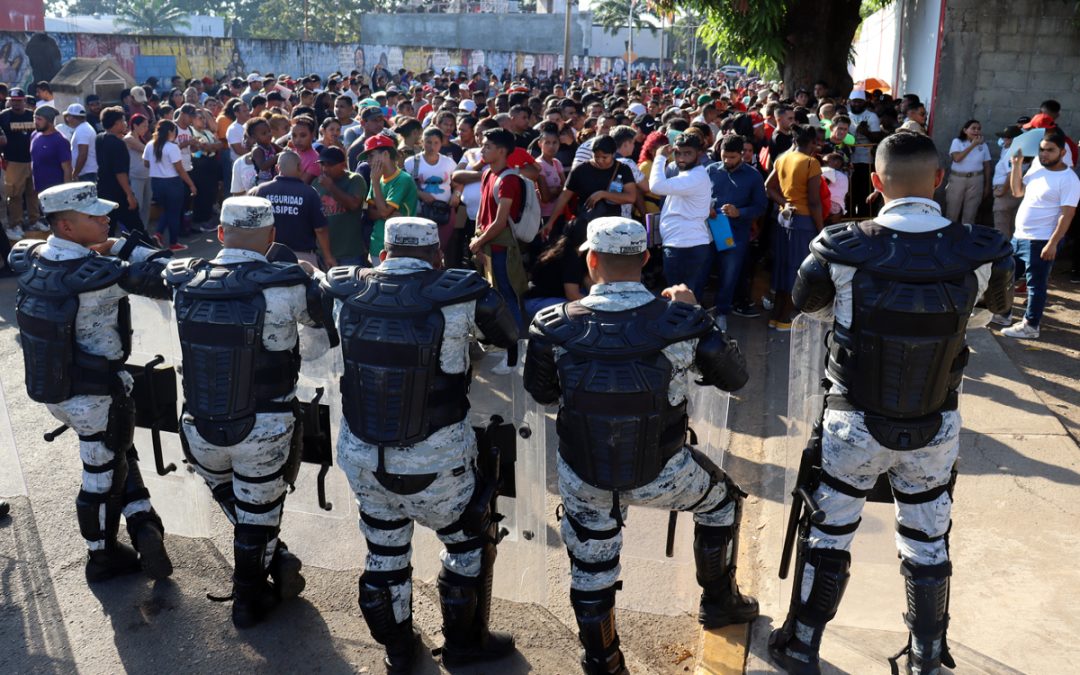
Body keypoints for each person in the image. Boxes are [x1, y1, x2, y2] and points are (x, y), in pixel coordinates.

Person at [768, 131, 1014, 675]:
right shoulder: (982, 249)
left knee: (828, 531)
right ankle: (926, 655)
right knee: (928, 539)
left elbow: (807, 307)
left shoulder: (840, 246)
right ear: (940, 179)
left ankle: (803, 645)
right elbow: (988, 314)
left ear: (875, 184)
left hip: (853, 418)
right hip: (935, 419)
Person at [523, 217, 758, 675]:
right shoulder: (682, 322)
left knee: (591, 568)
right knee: (723, 502)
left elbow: (544, 395)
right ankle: (720, 601)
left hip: (584, 473)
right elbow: (736, 378)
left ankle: (603, 660)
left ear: (591, 261)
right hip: (663, 470)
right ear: (647, 259)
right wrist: (699, 314)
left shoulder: (551, 325)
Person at [321, 216, 520, 672]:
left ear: (384, 252)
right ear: (435, 254)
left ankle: (397, 650)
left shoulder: (346, 290)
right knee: (466, 542)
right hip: (437, 459)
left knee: (384, 550)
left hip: (362, 455)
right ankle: (464, 645)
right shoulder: (461, 294)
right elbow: (508, 339)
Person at [164, 196, 333, 628]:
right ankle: (249, 599)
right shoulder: (289, 285)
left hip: (198, 424)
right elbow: (316, 355)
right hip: (264, 426)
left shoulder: (186, 279)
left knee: (229, 493)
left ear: (220, 233)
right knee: (258, 516)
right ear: (273, 237)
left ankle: (276, 562)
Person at [7, 182, 178, 584]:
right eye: (94, 216)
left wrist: (96, 246)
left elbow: (34, 251)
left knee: (118, 453)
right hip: (98, 393)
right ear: (66, 226)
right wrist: (122, 247)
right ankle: (101, 555)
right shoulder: (103, 276)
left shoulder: (31, 257)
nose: (105, 220)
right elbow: (167, 274)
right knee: (98, 477)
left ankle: (141, 521)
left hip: (56, 386)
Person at [1002, 131, 1080, 340]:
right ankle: (1004, 314)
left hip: (1041, 240)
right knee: (1005, 277)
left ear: (1062, 152)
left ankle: (1031, 325)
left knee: (1035, 285)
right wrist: (1017, 165)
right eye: (1042, 149)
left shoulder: (1069, 179)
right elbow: (1017, 191)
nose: (1044, 154)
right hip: (1019, 236)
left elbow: (1068, 214)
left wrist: (1053, 243)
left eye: (1050, 150)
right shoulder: (1037, 165)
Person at [470, 128, 534, 333]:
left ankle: (519, 340)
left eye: (488, 146)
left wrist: (478, 242)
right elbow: (482, 212)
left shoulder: (509, 180)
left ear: (502, 151)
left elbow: (499, 222)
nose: (482, 149)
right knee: (492, 293)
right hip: (486, 245)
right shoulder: (487, 173)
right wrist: (476, 239)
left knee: (508, 293)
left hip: (502, 249)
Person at [766, 124, 824, 330]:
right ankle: (784, 319)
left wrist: (783, 203)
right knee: (797, 270)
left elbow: (768, 187)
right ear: (812, 143)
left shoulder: (783, 159)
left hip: (784, 219)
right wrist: (821, 229)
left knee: (783, 267)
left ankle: (775, 316)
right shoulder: (811, 163)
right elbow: (814, 202)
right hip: (804, 222)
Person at [706, 134, 768, 327]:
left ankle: (722, 311)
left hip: (735, 233)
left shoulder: (753, 176)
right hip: (706, 231)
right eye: (724, 156)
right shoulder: (710, 170)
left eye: (732, 157)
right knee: (702, 271)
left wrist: (739, 212)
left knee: (729, 274)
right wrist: (706, 208)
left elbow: (760, 206)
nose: (727, 161)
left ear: (741, 155)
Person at [649, 133, 714, 301]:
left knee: (679, 300)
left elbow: (656, 186)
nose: (682, 158)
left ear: (699, 153)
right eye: (678, 153)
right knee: (685, 299)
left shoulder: (695, 177)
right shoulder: (688, 175)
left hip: (684, 246)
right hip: (684, 244)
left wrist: (659, 158)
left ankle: (689, 327)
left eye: (688, 153)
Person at [249, 150, 336, 268]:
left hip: (266, 257)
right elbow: (320, 229)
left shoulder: (259, 191)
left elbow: (249, 226)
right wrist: (328, 256)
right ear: (299, 167)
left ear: (277, 167)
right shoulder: (309, 193)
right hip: (302, 259)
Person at [361, 134, 417, 263]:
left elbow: (383, 211)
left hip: (400, 248)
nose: (368, 161)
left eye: (371, 156)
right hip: (377, 246)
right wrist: (388, 214)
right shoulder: (377, 177)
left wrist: (375, 183)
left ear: (385, 154)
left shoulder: (403, 179)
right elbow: (371, 212)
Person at [143, 120, 197, 251]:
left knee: (167, 210)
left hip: (156, 182)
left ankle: (158, 234)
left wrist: (158, 166)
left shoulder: (150, 145)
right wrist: (191, 185)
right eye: (174, 131)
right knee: (173, 212)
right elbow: (179, 169)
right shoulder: (172, 147)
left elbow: (146, 163)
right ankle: (173, 243)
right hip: (172, 183)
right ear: (170, 132)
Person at [405, 127, 459, 253]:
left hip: (445, 212)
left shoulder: (449, 162)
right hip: (422, 212)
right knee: (424, 249)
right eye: (428, 142)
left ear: (441, 144)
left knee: (442, 247)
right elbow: (406, 186)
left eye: (436, 143)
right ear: (422, 142)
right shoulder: (412, 162)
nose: (432, 146)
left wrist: (456, 194)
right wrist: (420, 194)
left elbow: (458, 183)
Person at [314, 146, 368, 265]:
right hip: (323, 253)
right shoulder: (316, 183)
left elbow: (354, 205)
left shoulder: (354, 180)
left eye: (330, 164)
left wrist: (331, 187)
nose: (325, 168)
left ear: (343, 164)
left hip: (350, 253)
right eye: (322, 164)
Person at [96, 106, 144, 235]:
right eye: (123, 121)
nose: (125, 124)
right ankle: (151, 253)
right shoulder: (118, 144)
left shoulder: (99, 138)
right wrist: (129, 195)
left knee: (107, 231)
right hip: (119, 194)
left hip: (103, 192)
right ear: (116, 123)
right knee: (137, 230)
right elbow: (120, 173)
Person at [1, 88, 41, 239]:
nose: (16, 104)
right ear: (10, 101)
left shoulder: (33, 116)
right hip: (13, 161)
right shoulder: (3, 117)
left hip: (32, 159)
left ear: (25, 101)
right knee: (14, 194)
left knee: (33, 192)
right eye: (14, 101)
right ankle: (16, 224)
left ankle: (34, 220)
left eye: (19, 101)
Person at [945, 120, 992, 224]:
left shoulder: (983, 145)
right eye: (973, 128)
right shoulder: (957, 142)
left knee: (970, 214)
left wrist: (987, 185)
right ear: (965, 130)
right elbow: (957, 158)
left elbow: (987, 166)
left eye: (978, 129)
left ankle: (966, 236)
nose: (976, 131)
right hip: (958, 179)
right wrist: (973, 145)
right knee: (952, 211)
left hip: (976, 180)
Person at [846, 91, 883, 217]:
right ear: (850, 102)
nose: (856, 103)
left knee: (865, 191)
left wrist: (866, 133)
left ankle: (864, 218)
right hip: (849, 161)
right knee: (850, 192)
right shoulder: (846, 115)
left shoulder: (872, 116)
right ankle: (849, 218)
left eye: (859, 101)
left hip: (867, 161)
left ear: (865, 102)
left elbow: (877, 138)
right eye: (854, 101)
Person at [29, 105, 72, 202]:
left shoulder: (60, 141)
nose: (35, 122)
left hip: (56, 192)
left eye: (39, 119)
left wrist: (67, 193)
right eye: (34, 119)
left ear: (49, 121)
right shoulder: (34, 135)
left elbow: (67, 169)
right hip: (39, 191)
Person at [124, 115, 153, 229]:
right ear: (135, 125)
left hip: (147, 176)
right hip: (135, 177)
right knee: (138, 206)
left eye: (147, 126)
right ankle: (135, 231)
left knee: (147, 206)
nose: (146, 128)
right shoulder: (129, 138)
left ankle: (143, 231)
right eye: (144, 126)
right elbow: (146, 151)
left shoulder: (142, 138)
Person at [66, 104, 99, 183]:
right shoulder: (83, 128)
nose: (67, 119)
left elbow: (83, 154)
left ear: (72, 117)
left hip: (86, 174)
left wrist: (75, 173)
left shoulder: (83, 130)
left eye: (68, 116)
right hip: (86, 173)